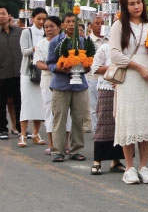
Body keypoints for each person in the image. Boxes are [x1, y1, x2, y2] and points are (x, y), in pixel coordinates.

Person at [109, 0, 148, 184]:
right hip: (130, 80)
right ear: (125, 7)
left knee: (147, 122)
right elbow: (115, 54)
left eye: (139, 2)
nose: (136, 7)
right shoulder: (118, 26)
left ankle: (144, 167)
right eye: (132, 4)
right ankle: (129, 168)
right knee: (129, 122)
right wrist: (138, 67)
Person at [46, 12, 91, 163]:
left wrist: (85, 68)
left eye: (74, 22)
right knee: (60, 118)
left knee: (78, 119)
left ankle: (76, 150)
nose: (71, 24)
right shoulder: (55, 42)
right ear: (63, 25)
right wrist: (60, 68)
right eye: (68, 22)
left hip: (79, 85)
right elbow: (50, 63)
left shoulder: (84, 42)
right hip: (61, 85)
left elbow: (89, 63)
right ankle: (58, 151)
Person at [0, 5, 23, 140]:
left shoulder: (20, 32)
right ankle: (2, 129)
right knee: (0, 103)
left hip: (19, 74)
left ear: (9, 15)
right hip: (1, 74)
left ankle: (20, 128)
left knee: (19, 102)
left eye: (3, 13)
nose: (1, 16)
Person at [34, 16, 70, 156]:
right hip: (48, 81)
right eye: (46, 27)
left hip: (65, 80)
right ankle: (51, 144)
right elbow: (38, 63)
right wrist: (55, 67)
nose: (49, 29)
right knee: (50, 112)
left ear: (59, 27)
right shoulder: (41, 44)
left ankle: (65, 144)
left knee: (66, 113)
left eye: (51, 26)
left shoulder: (66, 42)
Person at [89, 34, 124, 175]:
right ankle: (97, 161)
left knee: (120, 125)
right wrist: (114, 68)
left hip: (123, 88)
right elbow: (95, 68)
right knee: (104, 122)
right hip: (106, 88)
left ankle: (116, 160)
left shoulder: (128, 50)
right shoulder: (105, 48)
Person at [18, 7, 47, 147]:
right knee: (26, 103)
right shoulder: (26, 32)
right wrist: (36, 48)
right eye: (39, 19)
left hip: (43, 72)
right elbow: (24, 51)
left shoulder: (47, 33)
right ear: (33, 19)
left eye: (43, 19)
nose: (41, 22)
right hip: (28, 72)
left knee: (41, 104)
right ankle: (23, 134)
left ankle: (36, 133)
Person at [86, 15, 106, 132]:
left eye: (102, 23)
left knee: (105, 106)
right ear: (91, 26)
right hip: (92, 77)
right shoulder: (88, 41)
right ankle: (96, 130)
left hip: (107, 77)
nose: (100, 26)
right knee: (94, 106)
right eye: (97, 23)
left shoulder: (109, 39)